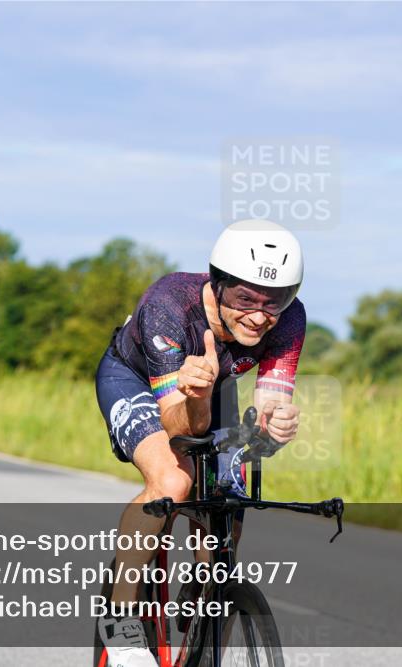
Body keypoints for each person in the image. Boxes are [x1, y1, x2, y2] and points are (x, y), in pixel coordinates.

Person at [94, 219, 306, 667]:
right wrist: (199, 396)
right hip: (138, 379)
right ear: (218, 283)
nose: (258, 315)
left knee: (229, 494)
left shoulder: (290, 320)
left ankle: (207, 606)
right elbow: (178, 427)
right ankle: (122, 623)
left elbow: (266, 412)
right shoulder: (169, 305)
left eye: (274, 301)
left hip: (210, 385)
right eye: (244, 298)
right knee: (174, 480)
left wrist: (274, 429)